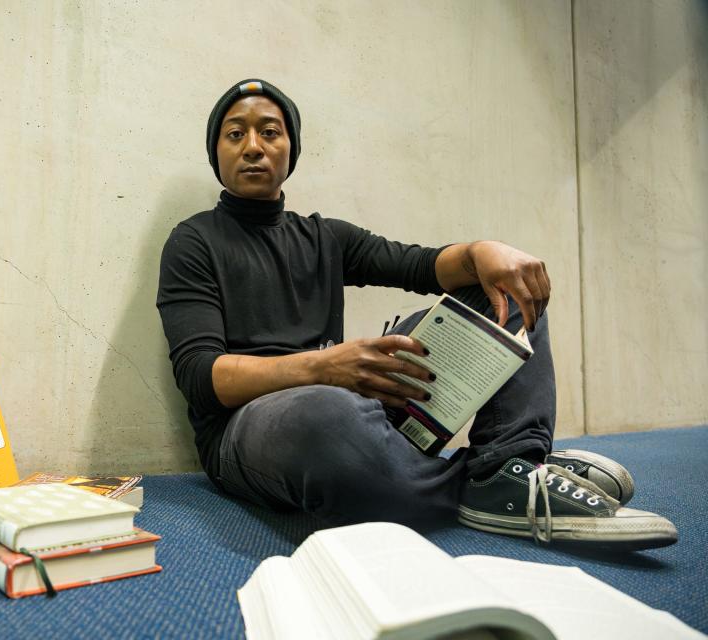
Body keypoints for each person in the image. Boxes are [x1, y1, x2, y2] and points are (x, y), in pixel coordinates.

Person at [156, 79, 677, 550]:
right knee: (328, 417)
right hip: (253, 430)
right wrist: (323, 367)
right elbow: (201, 377)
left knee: (504, 295)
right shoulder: (193, 242)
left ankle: (505, 466)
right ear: (216, 153)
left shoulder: (324, 236)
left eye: (269, 131)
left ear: (290, 149)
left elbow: (423, 265)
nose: (253, 146)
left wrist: (482, 251)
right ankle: (490, 484)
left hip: (351, 403)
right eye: (234, 134)